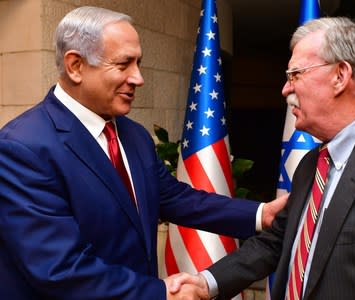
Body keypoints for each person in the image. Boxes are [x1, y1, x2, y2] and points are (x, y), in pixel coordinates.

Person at [0, 6, 288, 300]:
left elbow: (174, 198)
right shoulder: (22, 148)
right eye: (124, 65)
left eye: (138, 63)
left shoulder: (134, 135)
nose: (138, 78)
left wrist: (260, 214)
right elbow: (60, 269)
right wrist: (160, 293)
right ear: (75, 66)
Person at [171, 16, 355, 299]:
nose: (286, 88)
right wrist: (205, 283)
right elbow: (276, 243)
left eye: (295, 74)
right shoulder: (311, 165)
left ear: (340, 76)